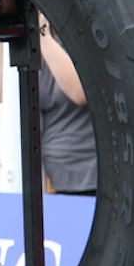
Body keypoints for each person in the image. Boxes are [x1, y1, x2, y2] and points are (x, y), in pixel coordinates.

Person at [38, 12, 96, 195]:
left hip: (91, 174)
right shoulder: (39, 45)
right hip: (55, 175)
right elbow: (1, 93)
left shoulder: (84, 36)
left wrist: (41, 33)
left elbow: (80, 91)